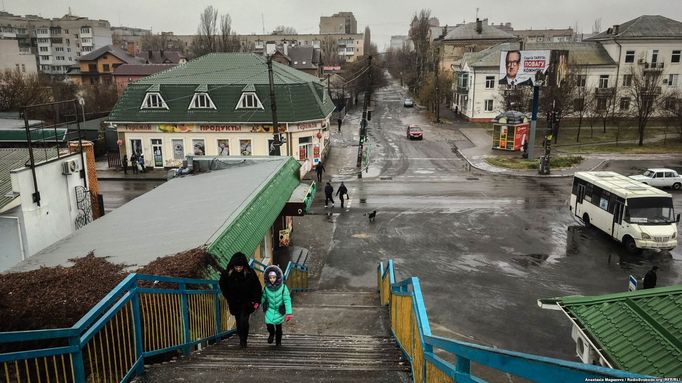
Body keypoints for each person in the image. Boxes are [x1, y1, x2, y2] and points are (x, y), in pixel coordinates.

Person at [219, 252, 263, 348]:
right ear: (233, 266)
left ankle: (244, 340)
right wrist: (228, 297)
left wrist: (256, 300)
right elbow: (223, 286)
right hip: (235, 302)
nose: (238, 269)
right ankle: (241, 339)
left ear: (244, 266)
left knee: (244, 320)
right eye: (236, 267)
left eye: (240, 267)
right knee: (239, 321)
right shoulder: (227, 274)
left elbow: (257, 287)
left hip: (247, 302)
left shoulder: (250, 273)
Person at [261, 265, 292, 346]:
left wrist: (289, 313)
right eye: (270, 278)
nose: (272, 280)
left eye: (274, 277)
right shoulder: (266, 288)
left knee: (279, 327)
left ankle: (278, 342)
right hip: (269, 309)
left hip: (279, 310)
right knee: (269, 324)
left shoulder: (283, 288)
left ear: (277, 277)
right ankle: (271, 334)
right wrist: (257, 303)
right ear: (267, 278)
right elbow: (263, 298)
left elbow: (287, 300)